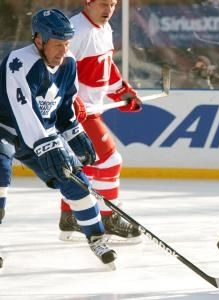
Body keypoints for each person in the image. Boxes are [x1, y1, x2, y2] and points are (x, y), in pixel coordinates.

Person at [0, 8, 116, 267]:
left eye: (67, 44)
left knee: (78, 182)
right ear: (39, 40)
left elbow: (64, 109)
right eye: (57, 45)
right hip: (5, 129)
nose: (63, 51)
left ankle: (97, 238)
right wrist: (47, 145)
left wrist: (76, 134)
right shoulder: (19, 62)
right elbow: (24, 111)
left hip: (40, 134)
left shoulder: (69, 63)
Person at [58, 0, 142, 243]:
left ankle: (70, 216)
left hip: (90, 110)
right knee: (110, 161)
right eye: (103, 3)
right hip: (75, 114)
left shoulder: (104, 28)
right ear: (89, 2)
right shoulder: (76, 31)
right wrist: (69, 100)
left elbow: (105, 66)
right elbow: (55, 69)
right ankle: (108, 218)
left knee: (84, 166)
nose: (109, 10)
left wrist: (121, 91)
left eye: (113, 4)